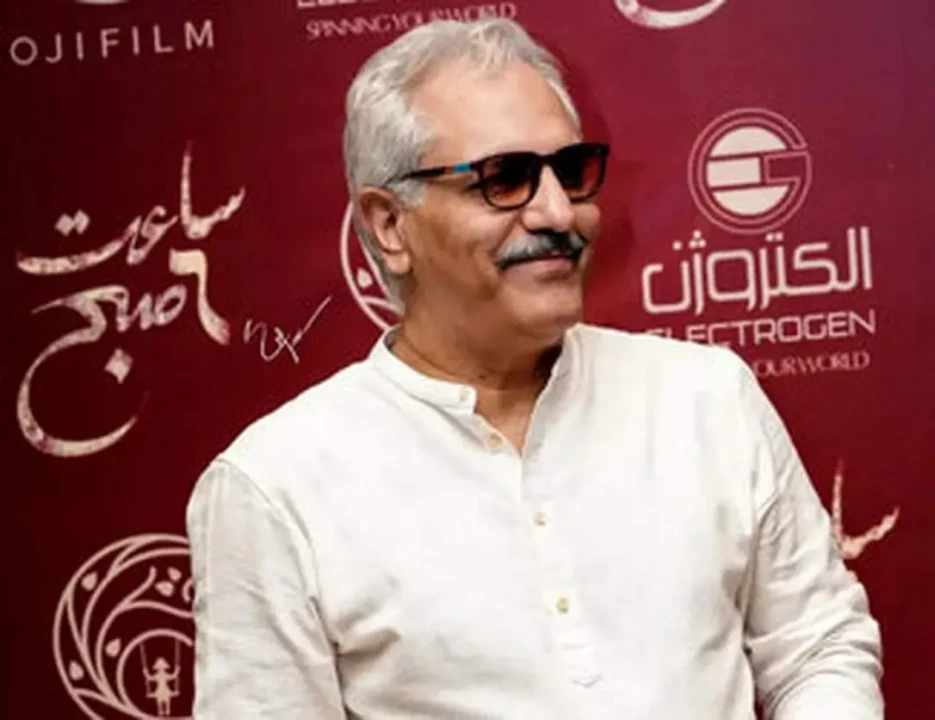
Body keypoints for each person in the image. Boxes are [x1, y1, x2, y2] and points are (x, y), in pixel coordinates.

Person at [185, 17, 884, 720]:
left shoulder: (705, 396)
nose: (558, 212)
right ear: (390, 226)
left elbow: (819, 648)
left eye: (569, 171)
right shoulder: (274, 487)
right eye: (505, 179)